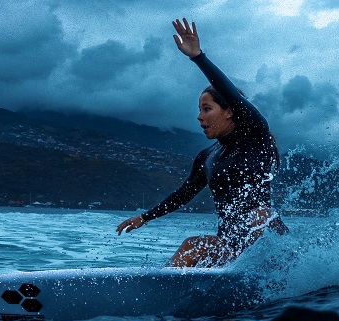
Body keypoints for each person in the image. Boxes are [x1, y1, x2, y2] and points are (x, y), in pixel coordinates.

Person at [116, 18, 287, 266]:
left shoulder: (255, 135)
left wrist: (198, 57)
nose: (199, 117)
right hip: (232, 249)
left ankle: (273, 270)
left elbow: (229, 92)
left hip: (271, 247)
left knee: (259, 216)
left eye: (207, 109)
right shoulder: (207, 157)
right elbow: (183, 194)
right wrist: (145, 217)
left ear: (230, 111)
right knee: (193, 245)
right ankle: (167, 283)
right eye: (199, 110)